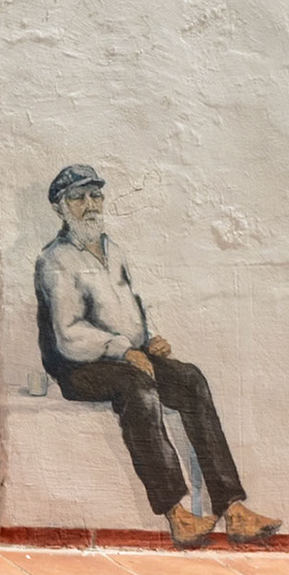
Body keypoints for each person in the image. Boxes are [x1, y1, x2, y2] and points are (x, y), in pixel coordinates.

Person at [35, 164, 280, 548]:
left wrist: (148, 341)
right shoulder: (56, 261)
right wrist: (125, 350)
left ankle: (232, 509)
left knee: (189, 378)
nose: (90, 205)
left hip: (127, 355)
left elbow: (128, 313)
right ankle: (177, 515)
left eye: (95, 195)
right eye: (78, 198)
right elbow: (68, 336)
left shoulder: (111, 249)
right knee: (138, 389)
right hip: (77, 367)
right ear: (59, 208)